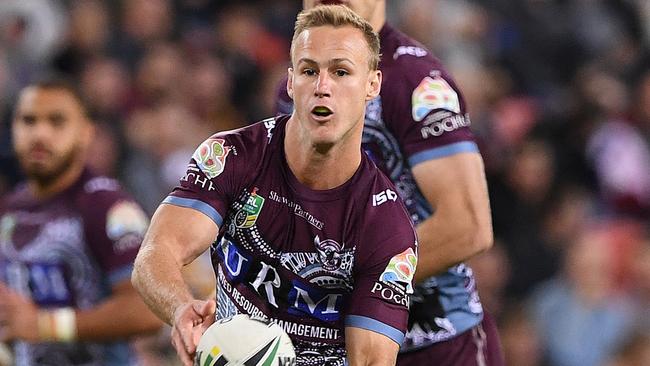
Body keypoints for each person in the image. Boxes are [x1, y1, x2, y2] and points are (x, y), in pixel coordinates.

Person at [131, 5, 418, 366]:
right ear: (290, 81)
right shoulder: (233, 157)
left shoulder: (386, 227)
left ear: (372, 85)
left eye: (341, 72)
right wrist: (180, 309)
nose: (322, 87)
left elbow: (371, 361)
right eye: (309, 70)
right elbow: (155, 254)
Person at [275, 1, 502, 365]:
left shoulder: (415, 80)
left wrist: (346, 287)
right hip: (339, 349)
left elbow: (467, 226)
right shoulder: (292, 91)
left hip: (434, 343)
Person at [0, 78, 162, 365]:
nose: (40, 133)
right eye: (28, 120)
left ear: (86, 133)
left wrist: (45, 325)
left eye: (56, 121)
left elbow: (146, 311)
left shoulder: (106, 205)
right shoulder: (10, 209)